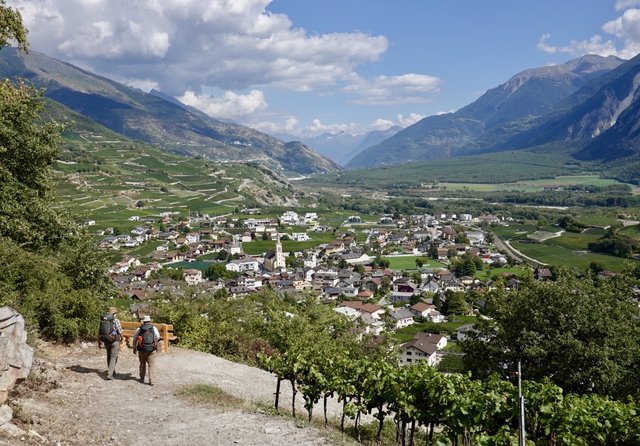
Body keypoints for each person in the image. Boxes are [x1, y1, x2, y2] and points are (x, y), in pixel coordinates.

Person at [132, 315, 160, 386]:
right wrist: (154, 343)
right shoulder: (153, 328)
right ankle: (151, 380)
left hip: (142, 349)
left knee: (142, 364)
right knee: (151, 365)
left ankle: (142, 378)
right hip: (151, 349)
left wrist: (134, 347)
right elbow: (157, 337)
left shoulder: (140, 328)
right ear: (150, 321)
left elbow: (135, 338)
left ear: (143, 321)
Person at [97, 307, 123, 380]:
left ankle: (112, 371)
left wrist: (99, 341)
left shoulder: (103, 320)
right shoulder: (116, 320)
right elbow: (120, 331)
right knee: (113, 357)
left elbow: (100, 331)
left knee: (109, 356)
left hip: (106, 340)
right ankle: (110, 374)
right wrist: (122, 338)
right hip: (115, 340)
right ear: (114, 313)